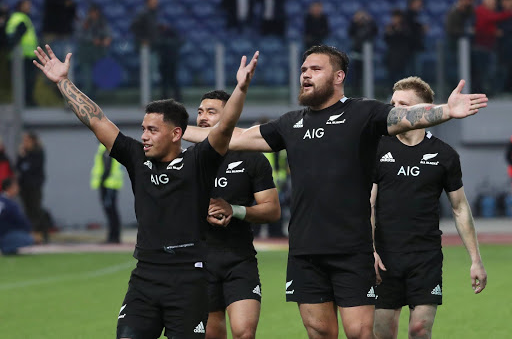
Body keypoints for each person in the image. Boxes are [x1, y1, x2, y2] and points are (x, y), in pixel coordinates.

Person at [182, 45, 488, 339]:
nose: (306, 74)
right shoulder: (291, 123)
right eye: (303, 69)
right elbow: (230, 138)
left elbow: (404, 117)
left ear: (338, 76)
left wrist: (446, 110)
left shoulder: (363, 114)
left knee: (359, 333)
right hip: (305, 250)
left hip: (351, 250)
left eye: (315, 69)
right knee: (321, 333)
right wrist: (173, 133)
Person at [33, 43, 258, 339]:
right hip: (145, 278)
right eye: (143, 129)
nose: (144, 136)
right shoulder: (136, 157)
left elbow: (226, 125)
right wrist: (63, 81)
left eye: (152, 130)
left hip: (188, 280)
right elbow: (97, 119)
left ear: (176, 133)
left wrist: (240, 89)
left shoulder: (199, 161)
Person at [370, 76, 487, 339]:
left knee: (420, 330)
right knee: (383, 333)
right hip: (384, 257)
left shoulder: (444, 155)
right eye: (392, 103)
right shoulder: (377, 148)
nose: (394, 110)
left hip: (426, 256)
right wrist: (370, 249)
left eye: (402, 104)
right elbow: (369, 204)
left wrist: (476, 261)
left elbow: (460, 208)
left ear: (424, 110)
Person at [196, 90, 280, 339]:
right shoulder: (186, 158)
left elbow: (272, 209)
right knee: (211, 335)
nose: (202, 117)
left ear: (230, 116)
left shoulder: (252, 159)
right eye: (200, 112)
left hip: (239, 260)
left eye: (211, 112)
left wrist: (235, 210)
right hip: (200, 262)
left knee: (244, 333)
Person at [6, 0, 38, 106]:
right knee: (23, 82)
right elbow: (12, 37)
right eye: (26, 5)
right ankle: (24, 103)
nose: (29, 7)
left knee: (27, 81)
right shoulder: (18, 18)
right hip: (20, 56)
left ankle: (26, 102)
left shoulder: (23, 17)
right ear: (20, 6)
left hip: (26, 55)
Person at [76, 3, 112, 98]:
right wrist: (92, 40)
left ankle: (93, 99)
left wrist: (106, 39)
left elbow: (108, 35)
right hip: (86, 55)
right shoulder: (85, 23)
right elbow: (79, 36)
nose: (93, 15)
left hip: (98, 55)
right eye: (92, 12)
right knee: (87, 79)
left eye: (95, 12)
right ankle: (84, 99)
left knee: (97, 78)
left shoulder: (102, 23)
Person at [90, 143, 123, 244]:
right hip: (111, 184)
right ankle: (114, 236)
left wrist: (102, 181)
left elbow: (107, 166)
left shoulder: (105, 148)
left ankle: (113, 237)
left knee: (111, 211)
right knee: (112, 211)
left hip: (108, 184)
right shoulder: (112, 148)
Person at [16, 131, 46, 243]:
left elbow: (32, 167)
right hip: (24, 186)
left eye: (26, 140)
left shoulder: (38, 152)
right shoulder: (24, 153)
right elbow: (19, 167)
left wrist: (25, 159)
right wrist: (21, 156)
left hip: (35, 186)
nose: (24, 143)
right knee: (27, 210)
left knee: (36, 210)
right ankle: (31, 234)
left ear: (32, 141)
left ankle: (40, 234)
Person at [0, 177, 34, 255]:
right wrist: (30, 230)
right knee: (28, 239)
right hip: (4, 234)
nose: (18, 189)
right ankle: (7, 248)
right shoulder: (10, 204)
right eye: (16, 187)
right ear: (9, 188)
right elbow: (20, 220)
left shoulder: (3, 201)